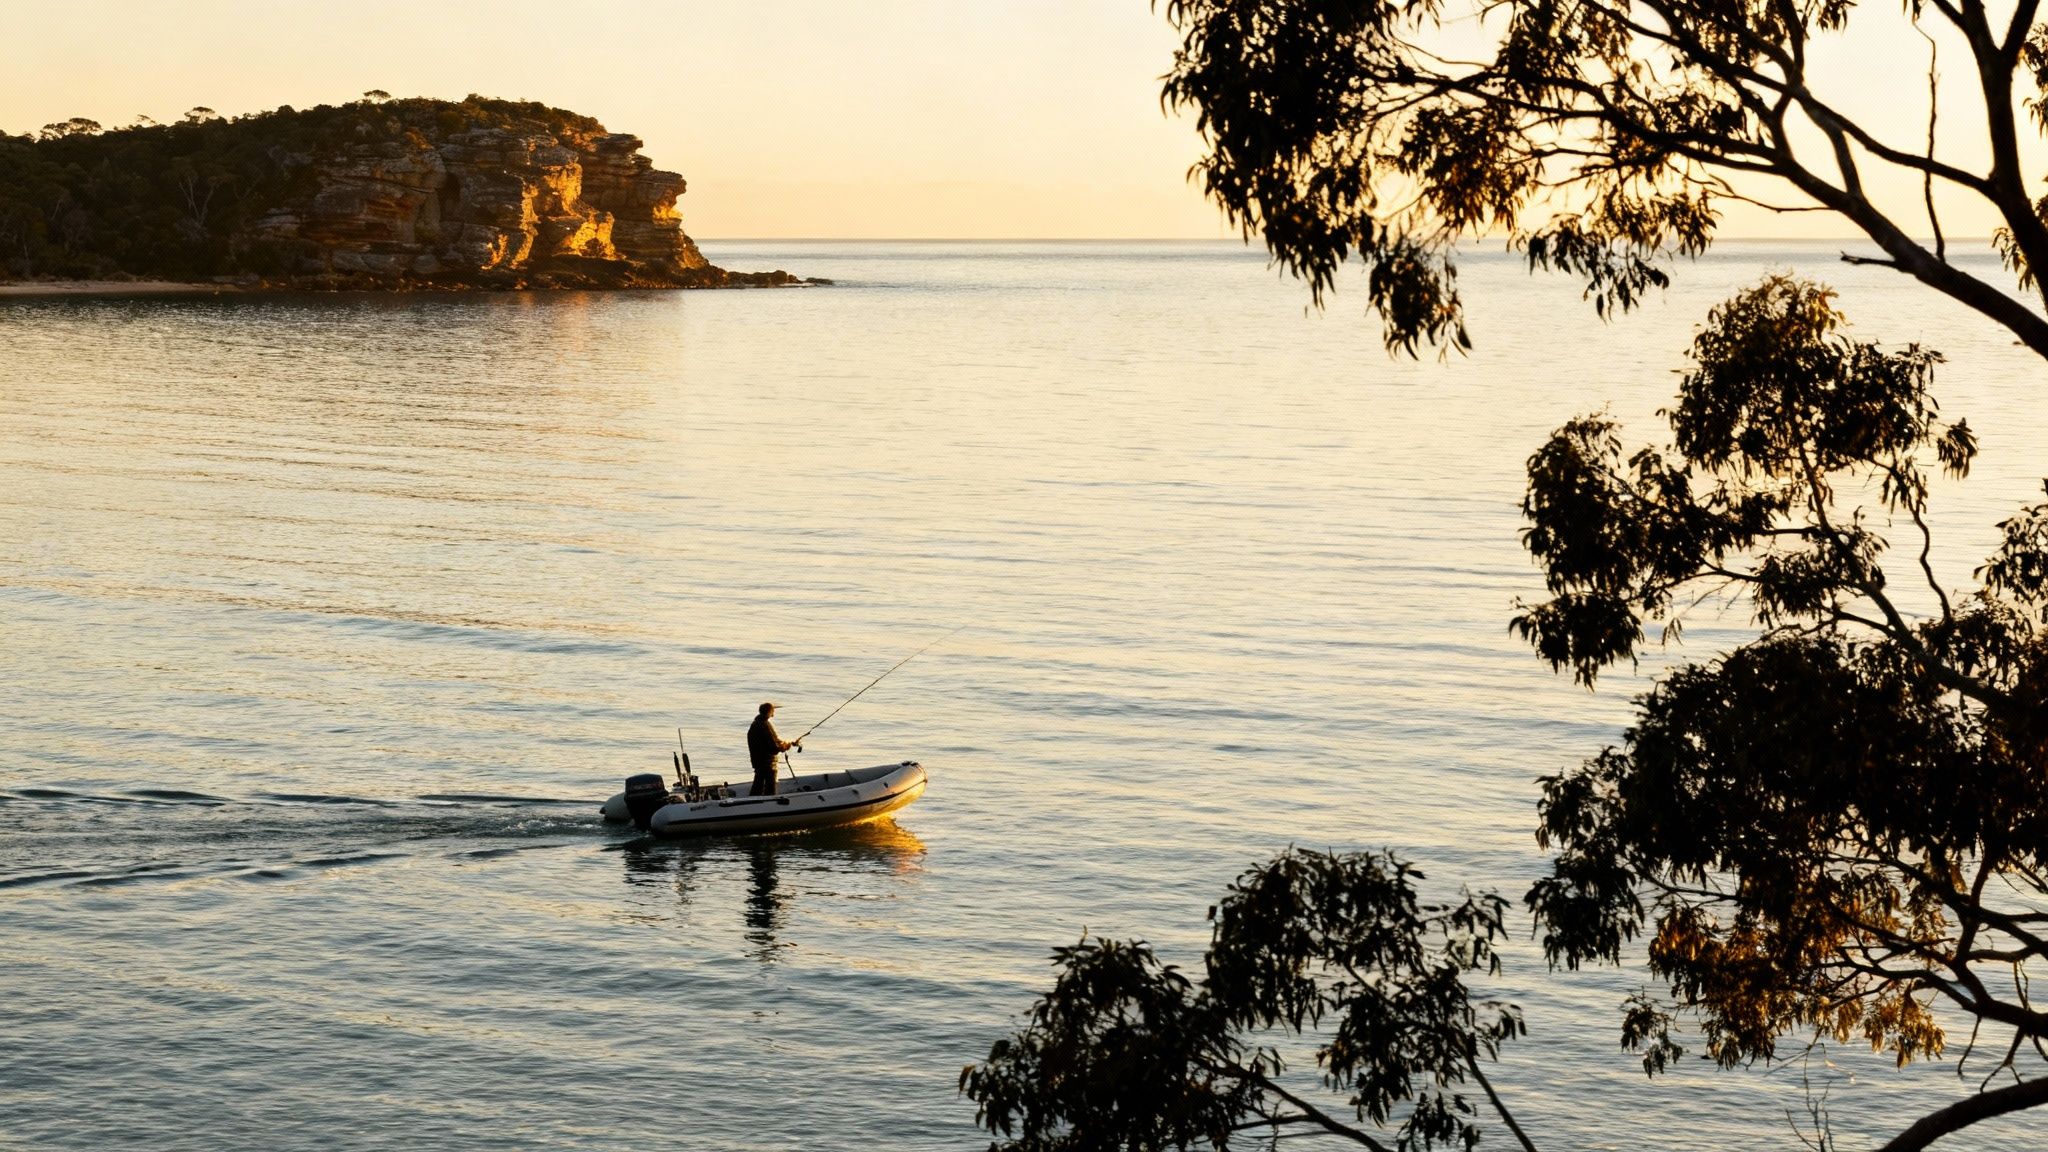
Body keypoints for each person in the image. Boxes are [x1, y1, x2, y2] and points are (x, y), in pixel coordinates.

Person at [746, 702, 799, 796]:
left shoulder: (756, 723)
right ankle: (768, 805)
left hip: (758, 761)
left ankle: (753, 803)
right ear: (770, 712)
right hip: (767, 763)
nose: (774, 712)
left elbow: (775, 740)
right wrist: (786, 747)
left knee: (758, 784)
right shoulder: (764, 726)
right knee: (769, 788)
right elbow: (774, 748)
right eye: (773, 710)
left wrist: (789, 743)